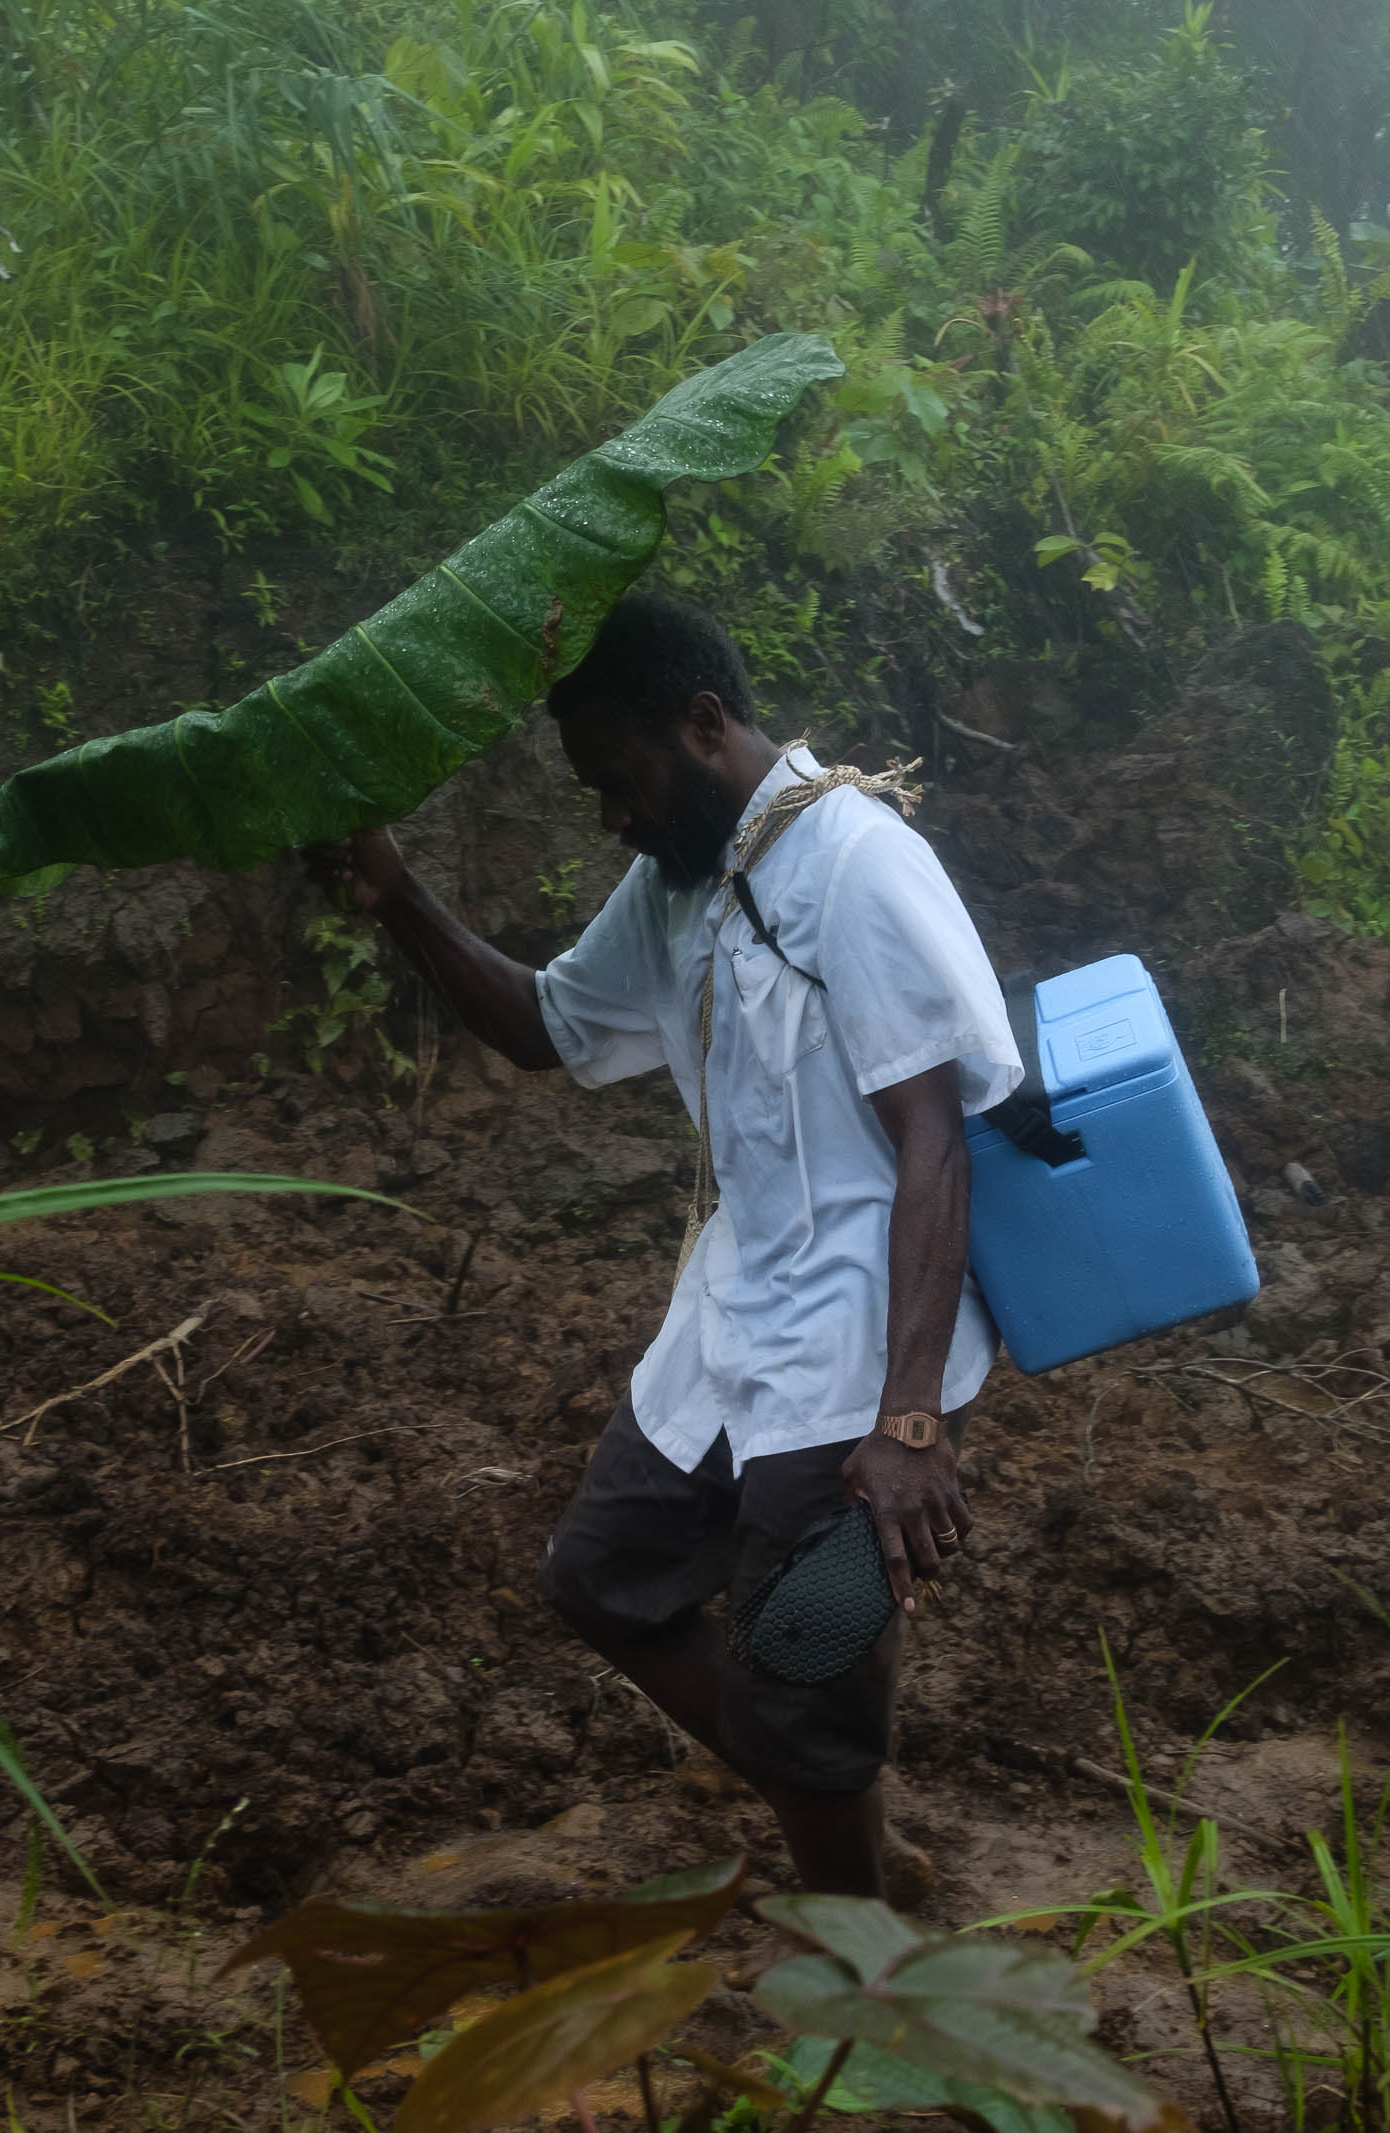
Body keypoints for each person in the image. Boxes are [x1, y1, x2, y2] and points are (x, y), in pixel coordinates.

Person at [300, 592, 1019, 1901]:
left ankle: (857, 1943)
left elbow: (935, 1136)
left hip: (858, 1349)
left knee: (807, 1672)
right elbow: (545, 1025)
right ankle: (841, 1823)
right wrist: (395, 892)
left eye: (618, 783)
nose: (610, 818)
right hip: (734, 1319)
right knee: (602, 1576)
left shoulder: (855, 863)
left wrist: (910, 1423)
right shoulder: (677, 885)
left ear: (701, 725)